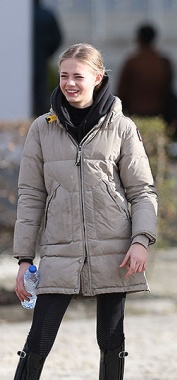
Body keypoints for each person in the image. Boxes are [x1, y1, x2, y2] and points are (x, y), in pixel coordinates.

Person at [13, 43, 158, 380]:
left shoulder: (121, 127)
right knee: (39, 339)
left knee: (110, 338)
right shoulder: (42, 128)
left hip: (114, 249)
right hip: (59, 249)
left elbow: (142, 191)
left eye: (78, 76)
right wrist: (24, 258)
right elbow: (30, 196)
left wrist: (141, 240)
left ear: (97, 78)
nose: (70, 83)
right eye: (64, 76)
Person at [116, 23, 177, 140]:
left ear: (138, 38)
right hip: (159, 113)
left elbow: (122, 90)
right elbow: (168, 87)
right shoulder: (163, 62)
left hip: (135, 113)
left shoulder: (132, 62)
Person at [33, 0, 63, 116]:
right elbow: (57, 39)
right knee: (41, 100)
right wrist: (46, 54)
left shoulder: (19, 16)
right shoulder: (47, 15)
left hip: (27, 63)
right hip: (40, 62)